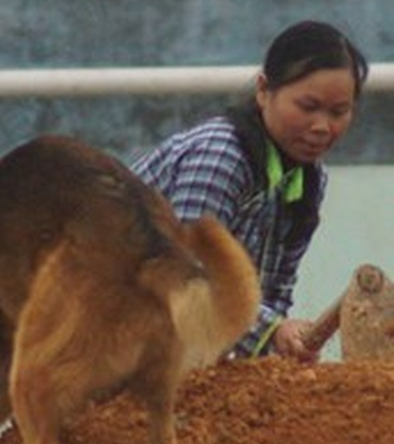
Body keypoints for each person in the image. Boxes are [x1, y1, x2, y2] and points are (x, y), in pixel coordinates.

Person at [131, 20, 368, 361]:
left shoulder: (310, 181)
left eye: (338, 112)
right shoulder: (220, 157)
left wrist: (282, 342)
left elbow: (276, 290)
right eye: (308, 106)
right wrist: (272, 331)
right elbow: (183, 278)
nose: (322, 127)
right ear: (263, 90)